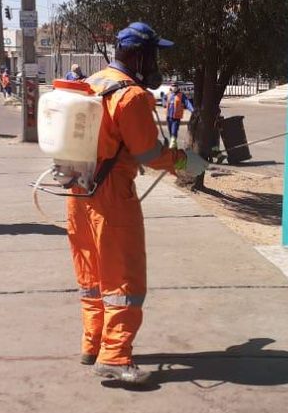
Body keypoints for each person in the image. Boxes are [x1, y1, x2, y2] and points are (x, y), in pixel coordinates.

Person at [69, 22, 209, 385]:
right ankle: (114, 356)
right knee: (123, 277)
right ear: (138, 54)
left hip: (78, 191)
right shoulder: (129, 96)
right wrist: (184, 161)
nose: (156, 61)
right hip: (112, 197)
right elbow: (148, 152)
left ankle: (93, 341)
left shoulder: (94, 82)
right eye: (153, 54)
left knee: (92, 275)